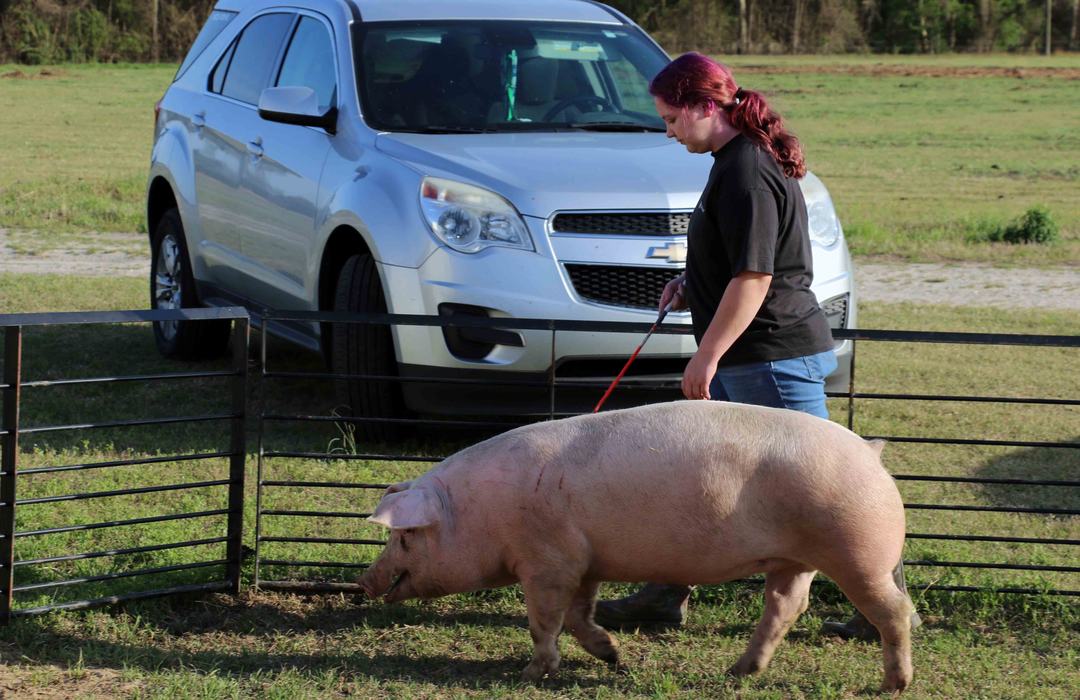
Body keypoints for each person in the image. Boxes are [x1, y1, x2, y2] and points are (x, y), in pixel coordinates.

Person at [592, 52, 920, 641]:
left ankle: (886, 607)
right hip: (758, 351)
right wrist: (695, 284)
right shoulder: (733, 160)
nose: (668, 131)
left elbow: (757, 277)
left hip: (769, 354)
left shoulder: (745, 168)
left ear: (703, 106)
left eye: (671, 118)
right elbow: (741, 260)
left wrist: (707, 354)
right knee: (701, 471)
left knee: (832, 484)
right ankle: (666, 591)